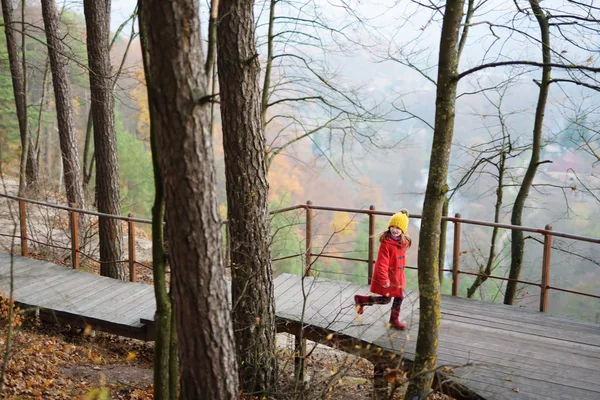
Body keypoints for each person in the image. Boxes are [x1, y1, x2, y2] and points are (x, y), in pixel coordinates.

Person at [354, 209, 412, 330]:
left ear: (403, 230)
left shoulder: (403, 242)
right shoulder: (386, 243)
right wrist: (384, 279)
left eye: (398, 228)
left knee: (395, 298)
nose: (395, 230)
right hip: (388, 276)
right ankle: (362, 300)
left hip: (398, 276)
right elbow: (382, 263)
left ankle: (392, 319)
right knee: (389, 299)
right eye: (393, 226)